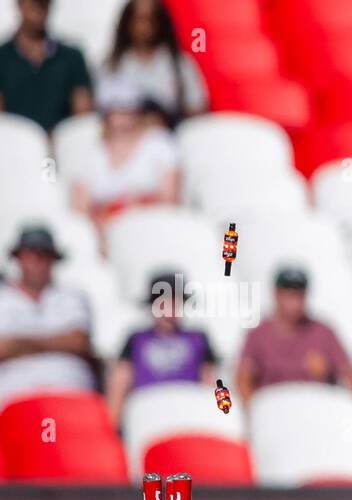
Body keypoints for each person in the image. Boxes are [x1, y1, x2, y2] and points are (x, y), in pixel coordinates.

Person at [235, 266, 352, 403]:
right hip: (274, 412)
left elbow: (349, 374)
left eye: (299, 296)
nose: (295, 303)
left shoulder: (324, 333)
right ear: (276, 295)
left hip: (317, 410)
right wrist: (254, 411)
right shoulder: (258, 335)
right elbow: (243, 378)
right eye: (290, 296)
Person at [0, 225, 95, 409]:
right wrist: (56, 341)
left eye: (42, 255)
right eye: (30, 254)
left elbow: (79, 342)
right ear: (18, 258)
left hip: (69, 394)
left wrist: (18, 344)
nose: (36, 262)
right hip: (14, 399)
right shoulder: (4, 298)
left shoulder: (72, 295)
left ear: (53, 259)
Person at [106, 271, 217, 426]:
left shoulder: (198, 337)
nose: (169, 311)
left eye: (175, 304)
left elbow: (209, 380)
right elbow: (121, 378)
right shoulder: (136, 338)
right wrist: (113, 423)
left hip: (188, 411)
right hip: (147, 411)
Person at [70, 77, 180, 231]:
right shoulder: (90, 151)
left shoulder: (159, 143)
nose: (123, 116)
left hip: (152, 227)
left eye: (128, 109)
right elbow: (80, 210)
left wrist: (132, 209)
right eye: (117, 109)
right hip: (105, 231)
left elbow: (170, 200)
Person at [100, 0, 208, 126]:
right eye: (139, 19)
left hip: (169, 136)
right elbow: (103, 111)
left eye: (151, 20)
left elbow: (197, 109)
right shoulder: (113, 64)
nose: (145, 27)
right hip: (124, 138)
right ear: (127, 23)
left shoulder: (179, 64)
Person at [0, 0, 93, 131]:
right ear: (20, 4)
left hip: (60, 145)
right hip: (15, 146)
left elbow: (83, 116)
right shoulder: (3, 57)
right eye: (33, 2)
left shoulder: (71, 57)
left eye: (44, 2)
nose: (38, 7)